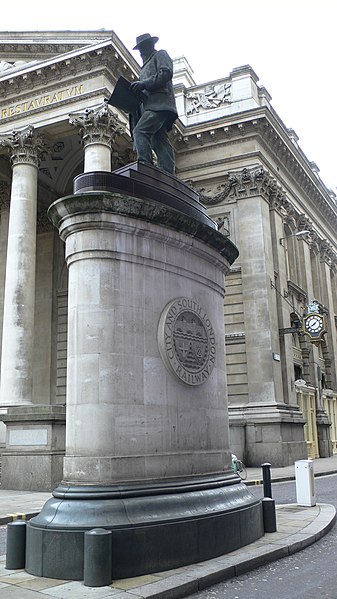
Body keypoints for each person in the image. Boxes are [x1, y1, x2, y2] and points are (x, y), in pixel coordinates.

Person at [129, 33, 178, 175]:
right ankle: (168, 173)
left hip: (160, 104)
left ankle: (145, 165)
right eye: (140, 50)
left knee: (140, 131)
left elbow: (165, 73)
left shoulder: (160, 54)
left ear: (150, 45)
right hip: (151, 106)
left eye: (143, 48)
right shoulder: (144, 66)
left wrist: (143, 84)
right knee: (159, 140)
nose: (141, 52)